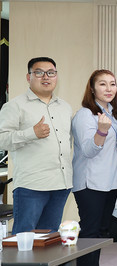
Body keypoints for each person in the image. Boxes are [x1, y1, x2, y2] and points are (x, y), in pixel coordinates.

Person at [0, 57, 72, 234]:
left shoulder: (65, 107)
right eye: (39, 72)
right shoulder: (15, 106)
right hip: (31, 186)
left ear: (56, 76)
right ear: (28, 77)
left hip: (60, 183)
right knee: (24, 238)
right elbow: (1, 139)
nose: (46, 77)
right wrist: (31, 133)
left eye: (51, 73)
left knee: (49, 238)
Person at [71, 69, 117, 266]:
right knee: (90, 230)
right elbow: (89, 150)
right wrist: (102, 132)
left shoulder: (113, 114)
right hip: (90, 182)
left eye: (112, 84)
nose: (109, 88)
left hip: (110, 181)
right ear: (92, 89)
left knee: (102, 231)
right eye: (103, 84)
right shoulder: (85, 115)